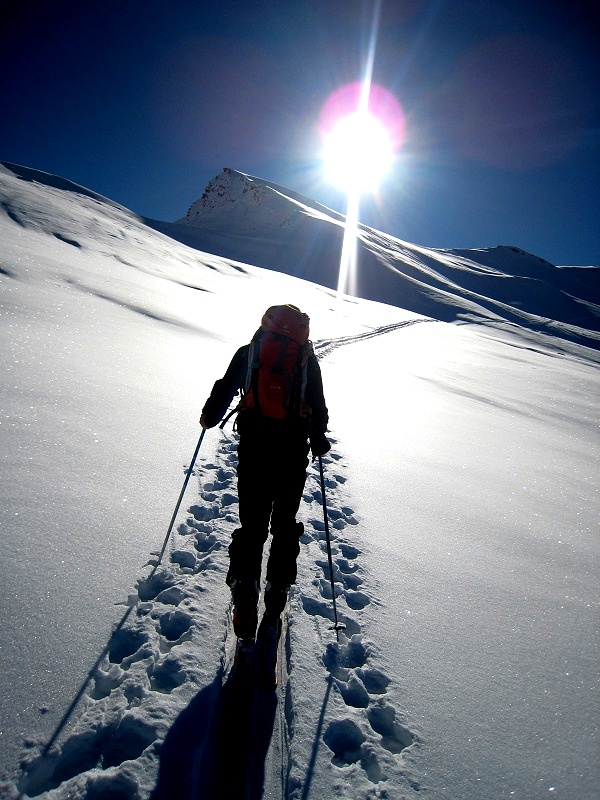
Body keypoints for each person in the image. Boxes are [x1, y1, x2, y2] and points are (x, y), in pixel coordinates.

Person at [200, 304, 330, 641]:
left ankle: (245, 589)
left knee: (253, 522)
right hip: (291, 449)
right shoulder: (304, 357)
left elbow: (226, 385)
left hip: (254, 445)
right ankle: (276, 594)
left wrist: (210, 416)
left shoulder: (251, 350)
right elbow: (317, 401)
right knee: (284, 522)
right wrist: (317, 436)